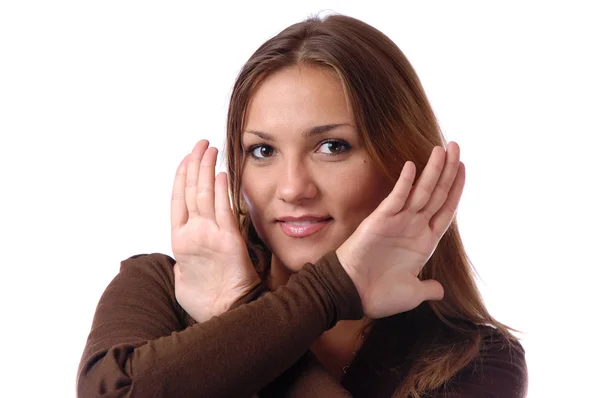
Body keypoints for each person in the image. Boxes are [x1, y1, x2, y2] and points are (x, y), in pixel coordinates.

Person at [77, 13, 528, 397]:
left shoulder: (473, 359)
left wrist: (243, 308)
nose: (292, 189)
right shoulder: (161, 285)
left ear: (400, 157)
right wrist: (330, 293)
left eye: (332, 146)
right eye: (262, 151)